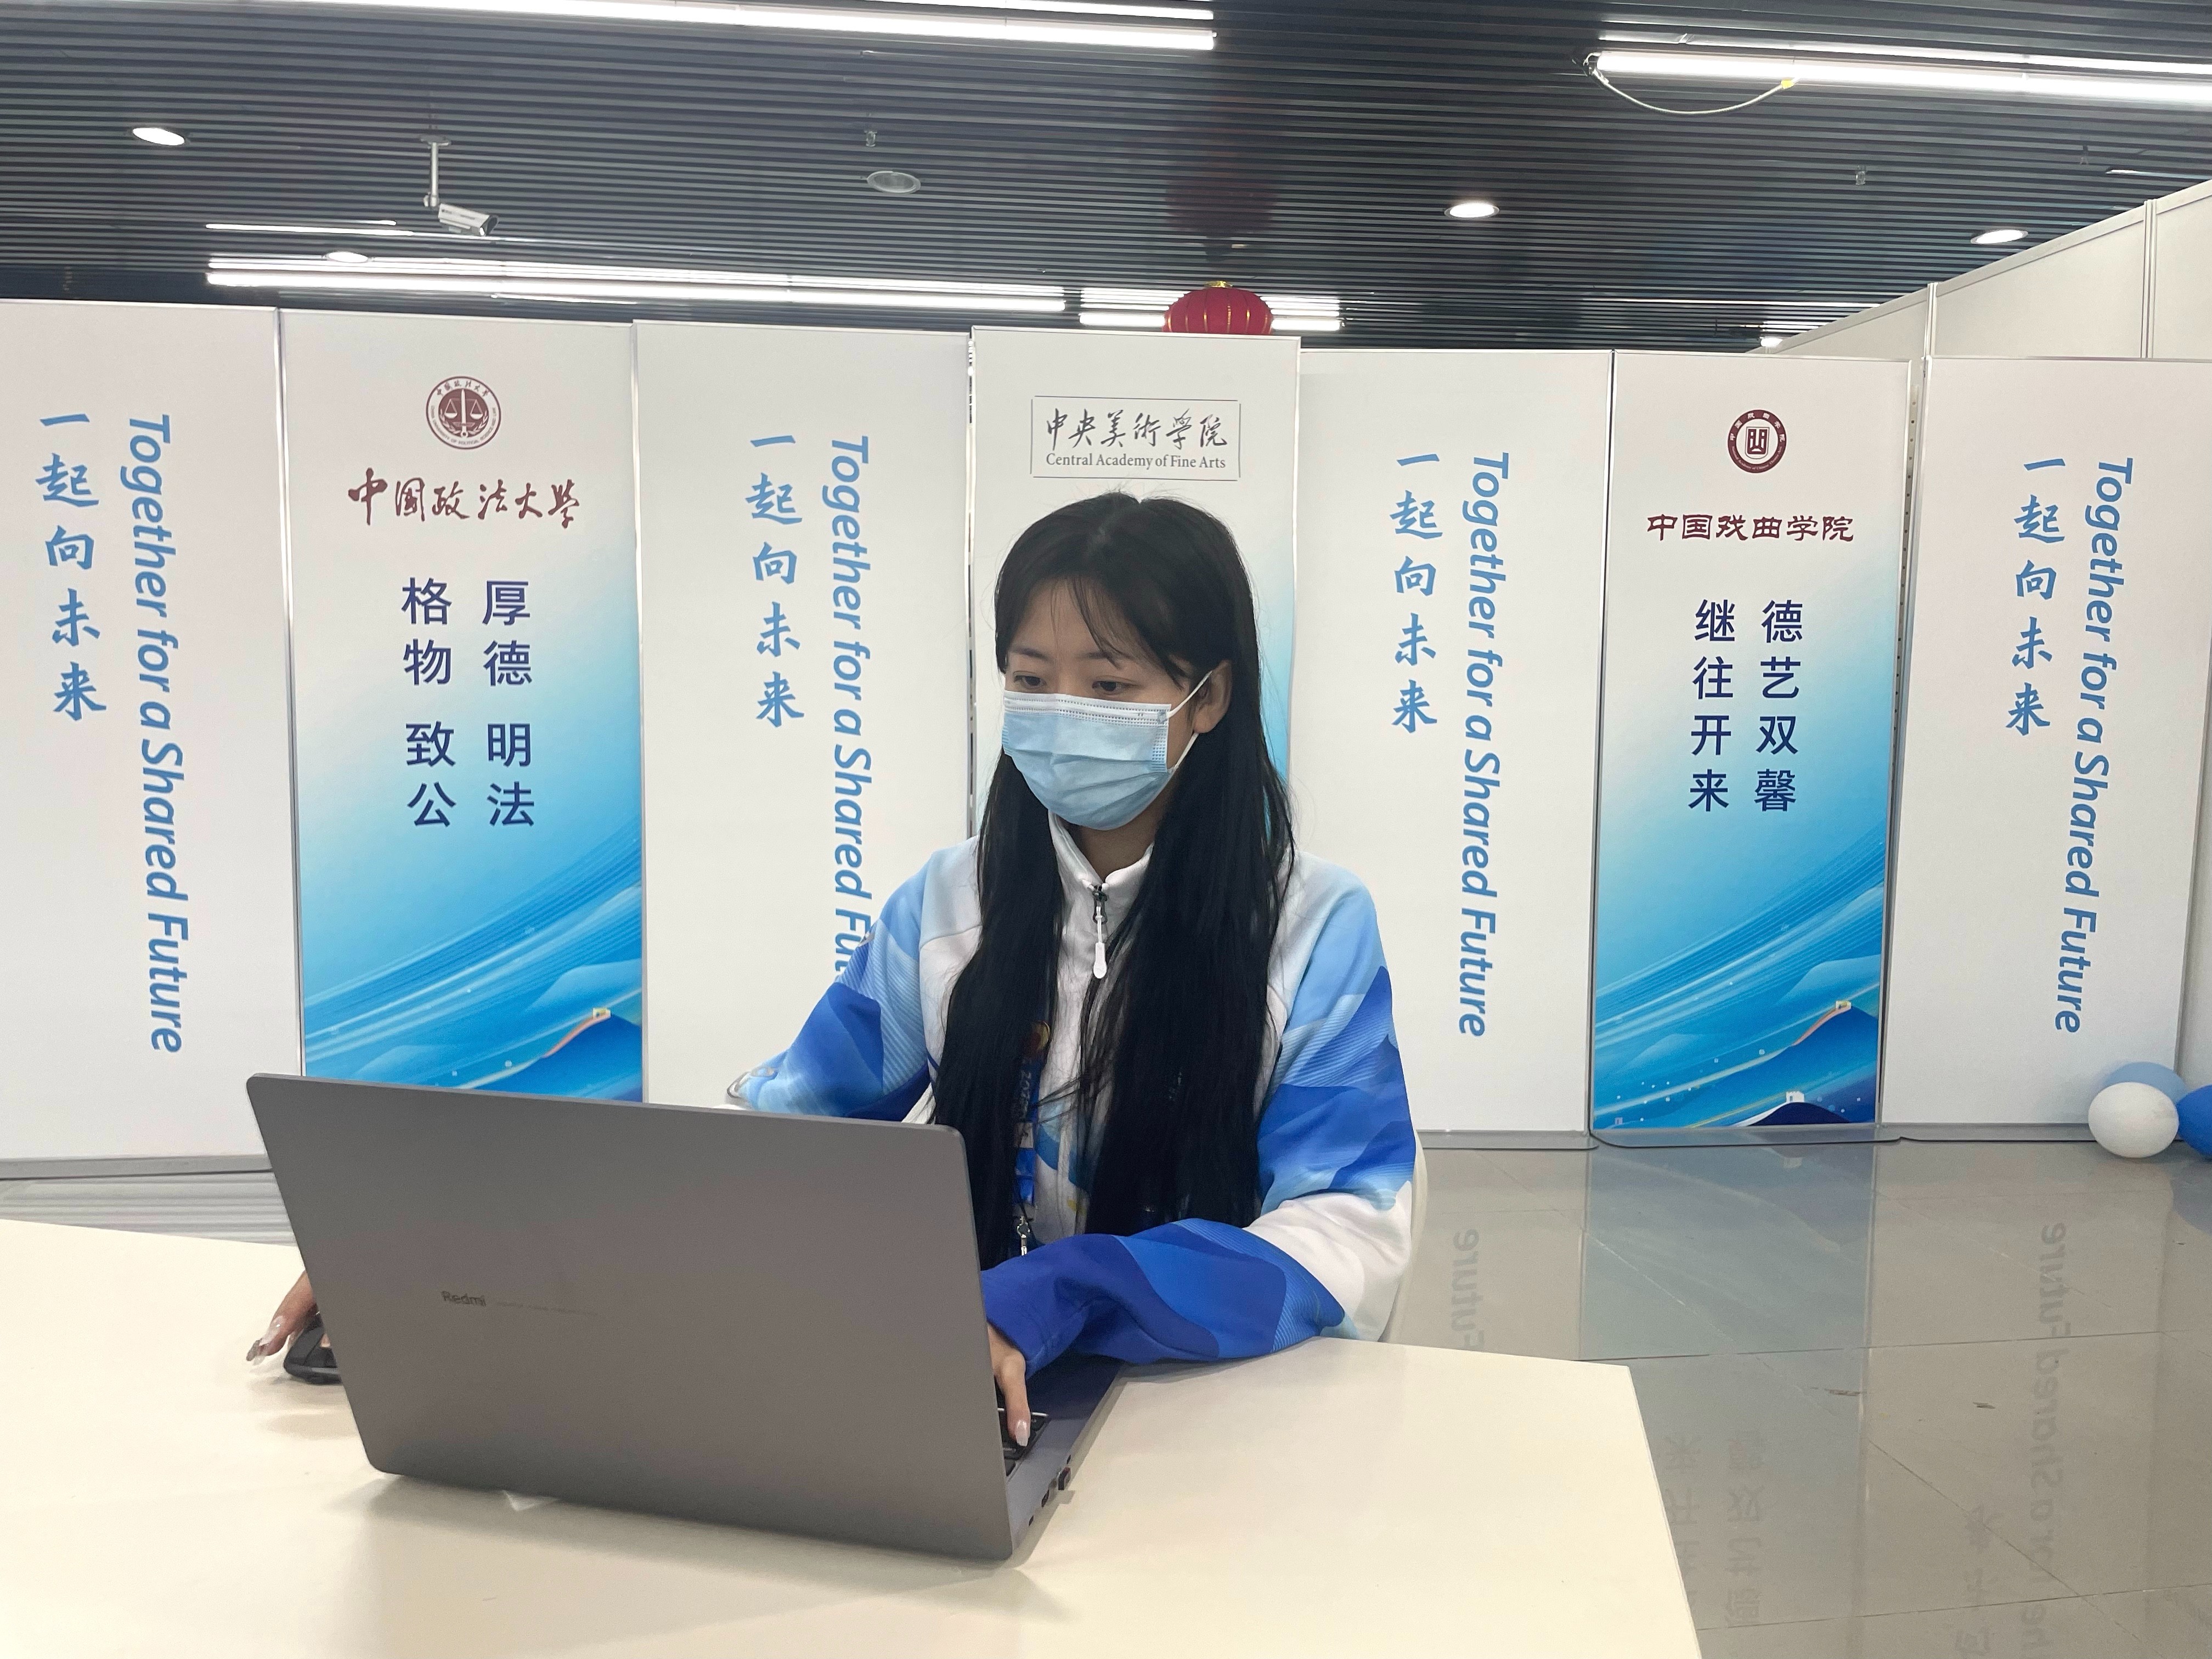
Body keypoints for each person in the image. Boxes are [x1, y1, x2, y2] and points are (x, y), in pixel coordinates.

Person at [253, 493, 1417, 1445]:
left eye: (1110, 687)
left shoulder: (1312, 927)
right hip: (975, 1401)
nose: (1064, 714)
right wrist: (448, 1253)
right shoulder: (949, 905)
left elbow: (1349, 1232)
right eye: (1031, 678)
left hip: (1216, 1418)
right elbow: (779, 1149)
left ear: (1209, 698)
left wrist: (1075, 1289)